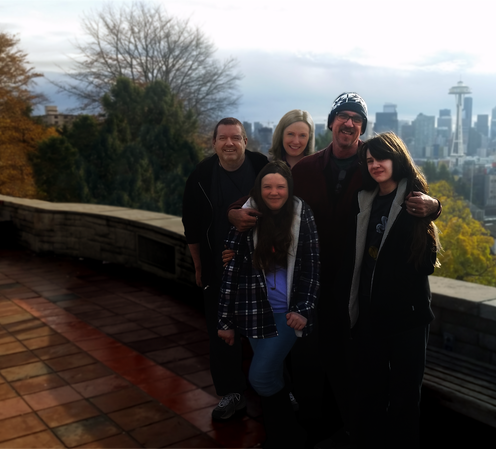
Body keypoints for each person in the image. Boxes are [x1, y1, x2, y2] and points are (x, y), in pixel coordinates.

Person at [241, 92, 441, 448]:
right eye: (343, 116)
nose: (349, 124)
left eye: (357, 119)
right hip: (306, 283)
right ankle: (311, 427)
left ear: (362, 128)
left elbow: (407, 192)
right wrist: (235, 222)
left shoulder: (372, 165)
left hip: (355, 288)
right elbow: (269, 201)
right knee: (308, 362)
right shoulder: (304, 169)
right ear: (331, 122)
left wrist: (435, 206)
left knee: (352, 368)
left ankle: (350, 430)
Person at [344, 132, 440, 448]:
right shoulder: (366, 199)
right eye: (369, 160)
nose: (375, 165)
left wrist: (434, 210)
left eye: (381, 158)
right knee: (369, 392)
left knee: (404, 398)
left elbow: (425, 263)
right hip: (369, 314)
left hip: (406, 319)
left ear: (396, 158)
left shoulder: (414, 199)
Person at [218, 161, 319, 448]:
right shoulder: (246, 216)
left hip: (286, 315)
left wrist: (303, 308)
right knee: (271, 375)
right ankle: (282, 437)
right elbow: (231, 273)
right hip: (253, 312)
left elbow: (312, 267)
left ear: (289, 189)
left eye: (280, 186)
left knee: (260, 377)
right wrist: (225, 322)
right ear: (259, 190)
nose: (274, 192)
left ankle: (289, 434)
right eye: (268, 187)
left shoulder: (301, 215)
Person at [181, 117, 268, 421]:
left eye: (235, 137)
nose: (229, 143)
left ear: (246, 141)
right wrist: (199, 264)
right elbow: (191, 225)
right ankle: (232, 393)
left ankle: (278, 388)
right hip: (218, 270)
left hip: (261, 269)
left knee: (270, 330)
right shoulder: (202, 175)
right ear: (214, 143)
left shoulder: (263, 168)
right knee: (221, 333)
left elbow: (282, 210)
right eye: (222, 138)